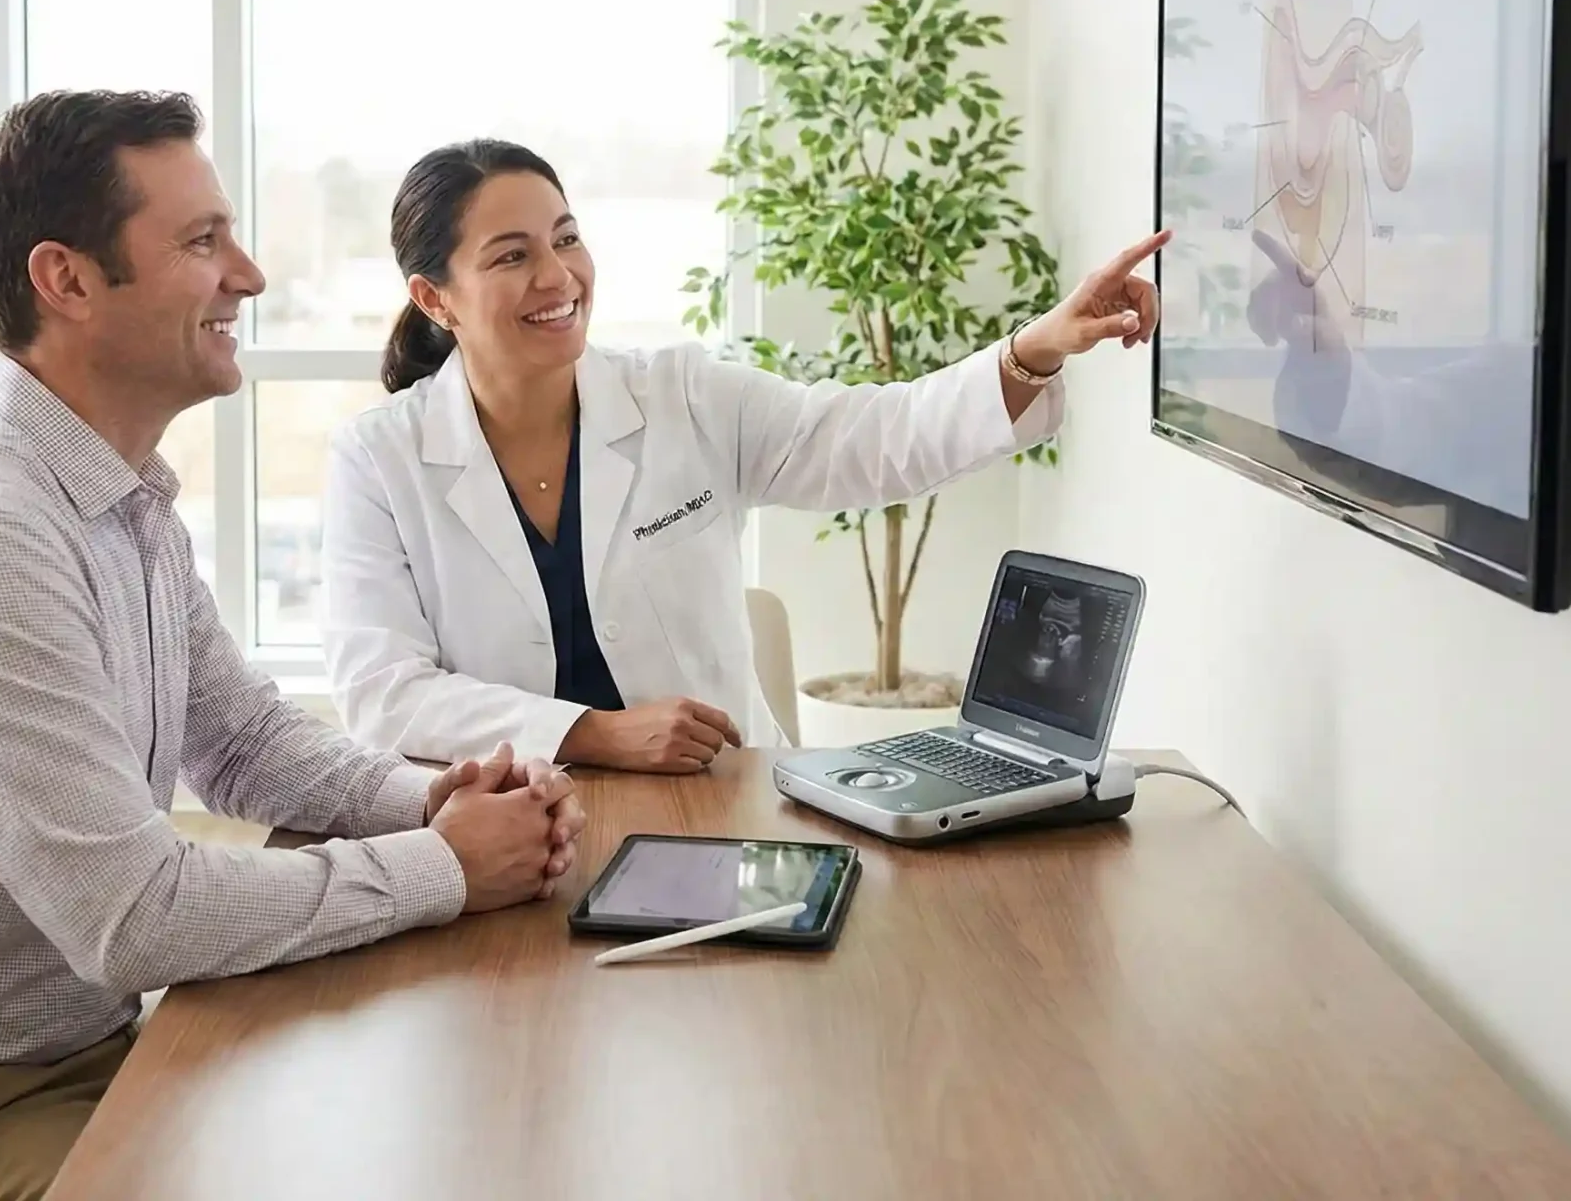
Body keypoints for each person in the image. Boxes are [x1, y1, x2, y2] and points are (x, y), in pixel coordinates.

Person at [0, 93, 585, 1201]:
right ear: (68, 281)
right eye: (201, 241)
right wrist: (446, 865)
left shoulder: (113, 495)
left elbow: (239, 741)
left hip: (71, 1061)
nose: (249, 273)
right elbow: (137, 918)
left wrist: (430, 800)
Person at [321, 138, 1165, 773]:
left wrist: (1039, 346)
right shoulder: (379, 461)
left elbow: (878, 439)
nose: (559, 275)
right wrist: (595, 734)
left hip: (720, 809)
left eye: (566, 237)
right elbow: (381, 692)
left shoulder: (683, 397)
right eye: (513, 255)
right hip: (506, 840)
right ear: (435, 297)